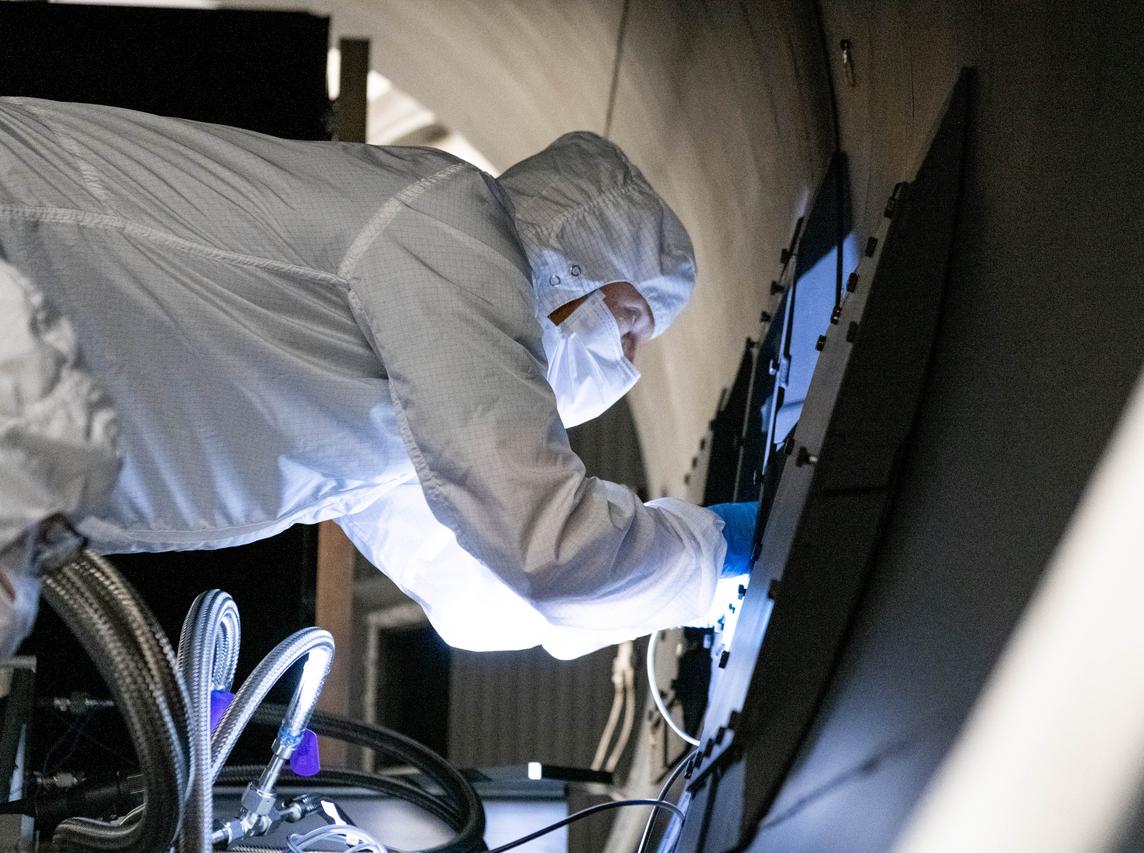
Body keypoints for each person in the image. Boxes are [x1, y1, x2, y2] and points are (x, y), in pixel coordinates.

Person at [0, 97, 757, 659]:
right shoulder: (450, 232)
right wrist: (725, 544)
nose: (625, 360)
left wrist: (686, 585)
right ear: (606, 285)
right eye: (633, 329)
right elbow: (549, 546)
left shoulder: (398, 414)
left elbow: (481, 601)